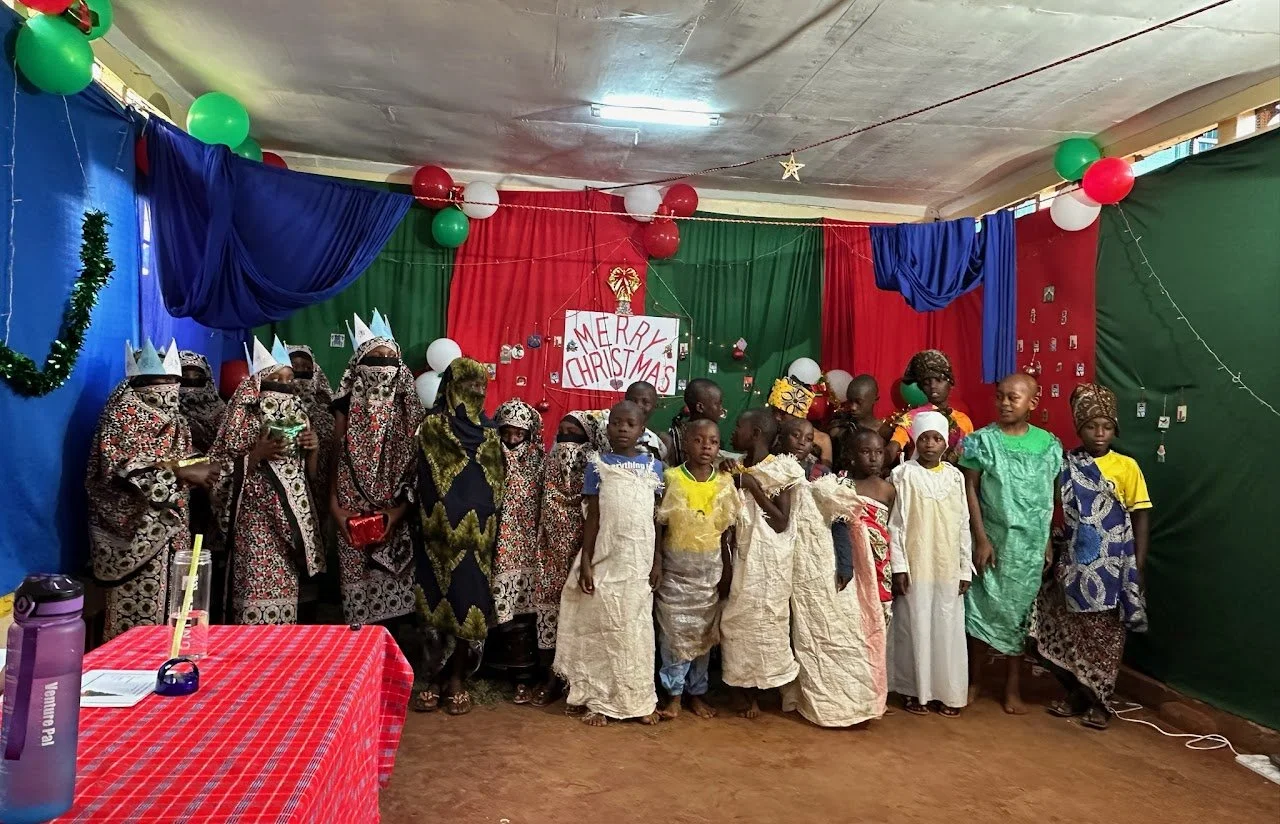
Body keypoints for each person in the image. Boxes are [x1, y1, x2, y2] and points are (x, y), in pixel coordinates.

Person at [1030, 383, 1150, 730]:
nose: (1100, 433)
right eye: (1091, 426)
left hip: (1114, 569)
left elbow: (1141, 515)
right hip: (1074, 567)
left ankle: (1100, 702)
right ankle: (1076, 694)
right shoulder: (1066, 464)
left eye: (1107, 426)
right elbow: (1055, 511)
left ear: (1115, 429)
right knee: (1062, 632)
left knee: (1105, 638)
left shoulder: (1127, 467)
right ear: (1079, 428)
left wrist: (1137, 567)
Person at [87, 340, 218, 640]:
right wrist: (178, 471)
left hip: (175, 533)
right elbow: (117, 469)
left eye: (174, 382)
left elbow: (184, 461)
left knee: (176, 614)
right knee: (136, 626)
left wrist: (200, 468)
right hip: (134, 541)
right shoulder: (121, 414)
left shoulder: (178, 422)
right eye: (158, 383)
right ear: (138, 383)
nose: (167, 390)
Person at [554, 400, 664, 727]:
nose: (622, 430)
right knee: (605, 628)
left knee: (637, 631)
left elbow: (657, 519)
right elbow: (592, 518)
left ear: (642, 430)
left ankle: (639, 700)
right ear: (607, 427)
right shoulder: (597, 465)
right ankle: (600, 701)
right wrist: (587, 560)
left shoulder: (653, 467)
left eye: (630, 424)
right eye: (616, 423)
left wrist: (657, 559)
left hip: (640, 562)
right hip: (608, 558)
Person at [960, 373, 1061, 714]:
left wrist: (1046, 538)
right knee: (979, 609)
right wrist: (981, 538)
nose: (1004, 403)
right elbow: (970, 488)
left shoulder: (1048, 446)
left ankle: (1012, 686)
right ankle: (974, 680)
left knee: (1019, 615)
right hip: (993, 541)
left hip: (1029, 546)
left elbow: (1050, 496)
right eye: (1000, 396)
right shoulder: (981, 442)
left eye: (1013, 398)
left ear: (1032, 403)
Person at [777, 418, 886, 728]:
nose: (802, 441)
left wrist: (845, 562)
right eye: (795, 435)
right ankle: (801, 696)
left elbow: (840, 521)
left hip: (821, 564)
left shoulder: (822, 476)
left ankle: (843, 703)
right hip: (790, 560)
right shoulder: (775, 472)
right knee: (801, 632)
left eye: (809, 437)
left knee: (832, 630)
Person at [210, 336, 325, 625]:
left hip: (289, 524)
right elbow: (216, 471)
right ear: (258, 383)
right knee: (253, 598)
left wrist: (314, 449)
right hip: (254, 522)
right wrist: (255, 455)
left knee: (286, 601)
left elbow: (308, 478)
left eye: (288, 378)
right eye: (275, 378)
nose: (284, 384)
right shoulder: (241, 416)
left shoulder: (300, 413)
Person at [413, 357, 505, 716]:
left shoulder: (491, 432)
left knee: (469, 604)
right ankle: (433, 678)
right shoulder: (432, 426)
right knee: (433, 604)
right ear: (449, 386)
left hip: (477, 540)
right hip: (435, 534)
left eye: (481, 387)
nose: (475, 394)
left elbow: (498, 484)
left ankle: (457, 680)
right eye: (467, 386)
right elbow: (420, 477)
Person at [328, 317, 423, 628]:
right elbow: (336, 457)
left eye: (389, 359)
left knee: (394, 598)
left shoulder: (409, 412)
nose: (382, 366)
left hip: (395, 513)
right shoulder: (344, 407)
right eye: (374, 359)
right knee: (358, 599)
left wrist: (396, 514)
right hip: (350, 513)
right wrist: (334, 508)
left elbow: (417, 472)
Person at [719, 408, 803, 719]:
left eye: (738, 424)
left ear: (755, 434)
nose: (733, 429)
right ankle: (738, 687)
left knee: (765, 622)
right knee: (736, 621)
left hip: (768, 565)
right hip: (741, 557)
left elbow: (781, 521)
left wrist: (753, 486)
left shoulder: (780, 469)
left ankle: (759, 689)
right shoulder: (736, 467)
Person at [887, 411, 973, 717]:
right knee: (915, 627)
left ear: (946, 442)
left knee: (946, 628)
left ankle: (945, 692)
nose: (930, 444)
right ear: (915, 441)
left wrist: (965, 568)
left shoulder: (955, 477)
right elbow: (895, 526)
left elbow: (963, 524)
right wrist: (899, 566)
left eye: (937, 438)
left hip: (947, 567)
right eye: (924, 438)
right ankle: (914, 691)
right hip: (915, 566)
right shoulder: (903, 475)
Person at [654, 419, 739, 720]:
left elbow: (728, 533)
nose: (706, 447)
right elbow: (660, 526)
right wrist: (658, 562)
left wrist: (727, 571)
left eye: (713, 442)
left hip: (709, 571)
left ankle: (696, 693)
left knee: (704, 635)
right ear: (686, 443)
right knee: (674, 634)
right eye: (699, 440)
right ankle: (673, 694)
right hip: (676, 572)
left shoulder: (725, 483)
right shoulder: (671, 478)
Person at [529, 410, 607, 707]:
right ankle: (551, 678)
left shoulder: (597, 470)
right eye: (561, 433)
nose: (566, 440)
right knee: (548, 615)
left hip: (584, 556)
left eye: (573, 433)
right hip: (549, 554)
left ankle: (577, 680)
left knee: (580, 618)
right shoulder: (547, 466)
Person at [491, 400, 544, 703]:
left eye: (518, 434)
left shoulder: (540, 461)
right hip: (494, 543)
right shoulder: (489, 456)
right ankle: (491, 670)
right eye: (506, 432)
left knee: (523, 612)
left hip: (527, 549)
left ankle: (522, 677)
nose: (511, 440)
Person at [886, 350, 974, 467]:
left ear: (950, 383)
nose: (933, 386)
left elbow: (970, 459)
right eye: (927, 383)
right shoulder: (911, 417)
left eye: (939, 381)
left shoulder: (963, 420)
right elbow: (894, 446)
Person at [847, 429, 897, 625]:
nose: (874, 458)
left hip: (880, 564)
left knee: (877, 620)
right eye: (866, 452)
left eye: (879, 452)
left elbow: (892, 528)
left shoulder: (888, 490)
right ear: (851, 456)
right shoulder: (841, 486)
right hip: (853, 563)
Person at [289, 344, 336, 495]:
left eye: (307, 368)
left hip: (324, 493)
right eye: (294, 367)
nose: (301, 372)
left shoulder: (328, 413)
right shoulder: (272, 412)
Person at [830, 374, 885, 469]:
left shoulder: (884, 431)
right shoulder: (840, 427)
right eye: (850, 401)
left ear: (875, 400)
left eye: (858, 402)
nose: (853, 407)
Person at [667, 378, 724, 467]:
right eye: (718, 404)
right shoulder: (675, 438)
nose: (721, 409)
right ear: (700, 407)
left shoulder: (714, 434)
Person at [177, 351, 226, 454]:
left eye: (197, 376)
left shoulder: (222, 410)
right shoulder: (170, 412)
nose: (191, 380)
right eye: (184, 375)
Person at [623, 380, 673, 460]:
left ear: (654, 406)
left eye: (645, 402)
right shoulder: (612, 433)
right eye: (633, 401)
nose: (638, 406)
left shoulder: (661, 441)